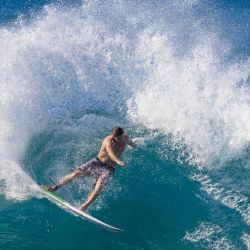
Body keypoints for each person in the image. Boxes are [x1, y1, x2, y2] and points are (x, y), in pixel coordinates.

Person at [44, 127, 137, 211]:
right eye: (117, 137)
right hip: (96, 162)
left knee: (98, 188)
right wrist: (118, 160)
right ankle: (54, 187)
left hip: (109, 169)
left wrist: (135, 146)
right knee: (75, 174)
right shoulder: (107, 140)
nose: (119, 139)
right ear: (113, 136)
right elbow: (110, 153)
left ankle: (84, 207)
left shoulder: (125, 138)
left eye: (120, 137)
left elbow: (132, 144)